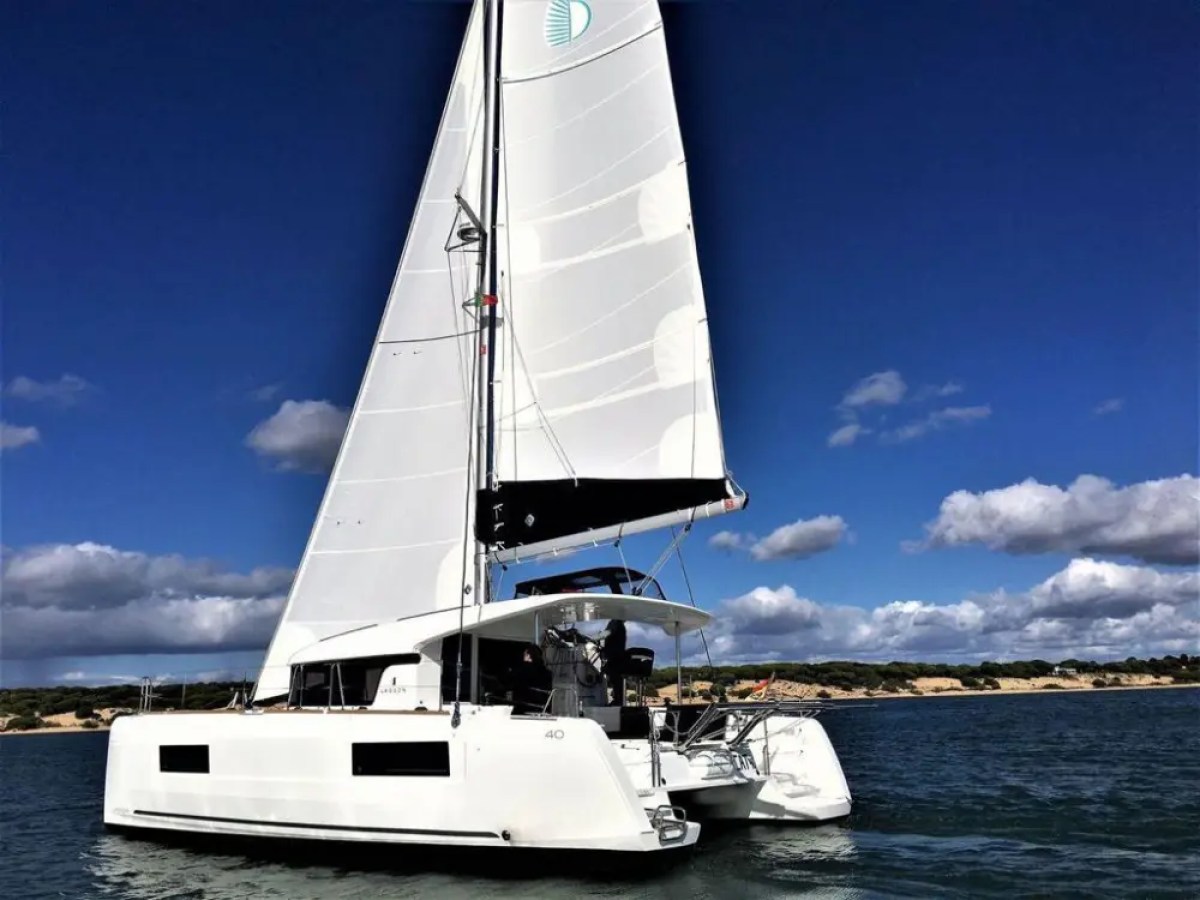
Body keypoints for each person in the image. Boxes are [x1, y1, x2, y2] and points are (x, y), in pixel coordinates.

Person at [509, 643, 551, 715]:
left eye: (524, 655)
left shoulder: (523, 670)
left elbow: (515, 682)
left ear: (528, 656)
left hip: (524, 707)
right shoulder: (547, 673)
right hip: (541, 708)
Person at [599, 619, 627, 706]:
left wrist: (595, 637)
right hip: (619, 656)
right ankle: (618, 701)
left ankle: (617, 701)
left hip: (614, 657)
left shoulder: (615, 622)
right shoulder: (621, 626)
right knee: (617, 680)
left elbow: (608, 633)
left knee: (613, 676)